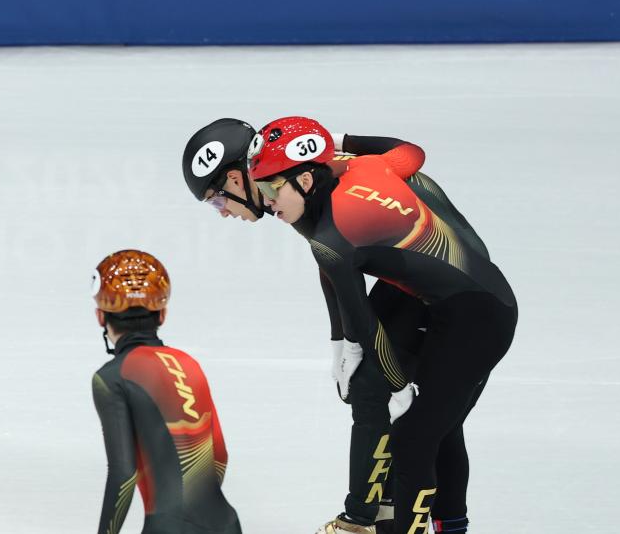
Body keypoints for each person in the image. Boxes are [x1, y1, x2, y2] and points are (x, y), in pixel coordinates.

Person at [248, 116, 517, 534]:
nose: (267, 203)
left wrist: (396, 386)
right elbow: (410, 151)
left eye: (270, 190)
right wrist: (333, 140)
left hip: (474, 320)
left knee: (412, 439)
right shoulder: (366, 166)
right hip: (482, 301)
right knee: (440, 431)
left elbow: (367, 329)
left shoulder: (332, 240)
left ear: (305, 180)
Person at [184, 119, 432, 533]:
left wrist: (334, 140)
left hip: (433, 278)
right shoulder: (288, 186)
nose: (223, 213)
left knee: (375, 388)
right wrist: (341, 342)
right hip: (411, 272)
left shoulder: (303, 179)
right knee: (373, 389)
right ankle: (383, 510)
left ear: (235, 179)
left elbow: (407, 153)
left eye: (216, 201)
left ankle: (361, 521)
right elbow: (331, 261)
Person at [91, 249, 242, 534]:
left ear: (101, 316)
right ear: (162, 314)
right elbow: (219, 455)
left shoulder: (112, 377)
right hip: (225, 523)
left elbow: (124, 474)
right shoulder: (188, 363)